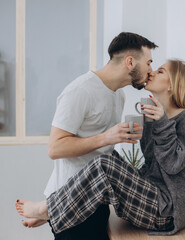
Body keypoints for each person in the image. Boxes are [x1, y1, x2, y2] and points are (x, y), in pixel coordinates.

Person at [16, 59, 185, 236]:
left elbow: (173, 165)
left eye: (160, 71)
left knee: (105, 165)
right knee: (110, 156)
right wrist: (152, 123)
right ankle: (55, 209)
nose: (152, 73)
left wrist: (162, 123)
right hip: (153, 197)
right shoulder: (155, 118)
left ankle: (47, 209)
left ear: (172, 85)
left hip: (167, 210)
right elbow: (151, 161)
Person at [22, 32, 158, 240]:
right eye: (148, 62)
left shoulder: (118, 95)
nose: (151, 70)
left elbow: (100, 155)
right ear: (130, 62)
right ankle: (49, 210)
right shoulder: (80, 91)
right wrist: (106, 137)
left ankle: (47, 211)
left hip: (96, 201)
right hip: (72, 204)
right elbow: (55, 148)